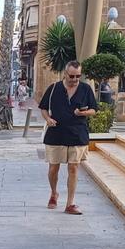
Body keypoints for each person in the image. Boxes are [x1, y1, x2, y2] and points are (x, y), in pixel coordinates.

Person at [38, 60, 97, 215]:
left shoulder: (85, 89)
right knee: (53, 168)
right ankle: (54, 193)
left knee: (73, 167)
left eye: (78, 76)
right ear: (65, 74)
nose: (75, 79)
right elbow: (43, 108)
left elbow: (94, 109)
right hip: (56, 133)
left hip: (77, 134)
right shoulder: (53, 89)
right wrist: (48, 119)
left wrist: (83, 113)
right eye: (72, 76)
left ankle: (70, 203)